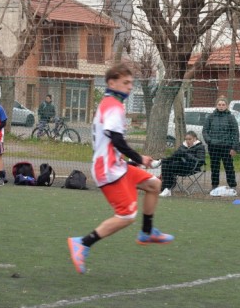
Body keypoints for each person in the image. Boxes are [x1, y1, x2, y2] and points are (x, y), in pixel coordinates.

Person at [67, 62, 173, 274]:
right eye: (126, 83)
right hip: (108, 169)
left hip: (117, 165)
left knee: (154, 184)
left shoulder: (110, 103)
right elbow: (117, 141)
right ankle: (83, 243)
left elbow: (113, 141)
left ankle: (146, 231)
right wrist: (139, 158)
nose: (130, 87)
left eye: (131, 83)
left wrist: (131, 160)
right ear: (112, 82)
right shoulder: (113, 106)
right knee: (126, 216)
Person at [202, 97, 239, 197]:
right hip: (213, 147)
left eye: (223, 105)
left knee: (229, 167)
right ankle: (214, 186)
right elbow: (205, 131)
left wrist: (234, 147)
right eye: (219, 104)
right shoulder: (211, 117)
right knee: (214, 167)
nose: (221, 106)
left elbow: (235, 133)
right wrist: (209, 141)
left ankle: (232, 186)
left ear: (226, 106)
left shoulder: (231, 117)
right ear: (216, 105)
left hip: (227, 147)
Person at [158, 130, 206, 197]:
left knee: (178, 156)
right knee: (166, 165)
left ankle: (160, 162)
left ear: (195, 139)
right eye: (186, 139)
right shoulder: (183, 146)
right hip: (180, 165)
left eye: (190, 139)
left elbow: (201, 161)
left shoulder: (200, 147)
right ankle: (166, 189)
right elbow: (175, 155)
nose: (187, 141)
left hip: (191, 167)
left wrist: (187, 155)